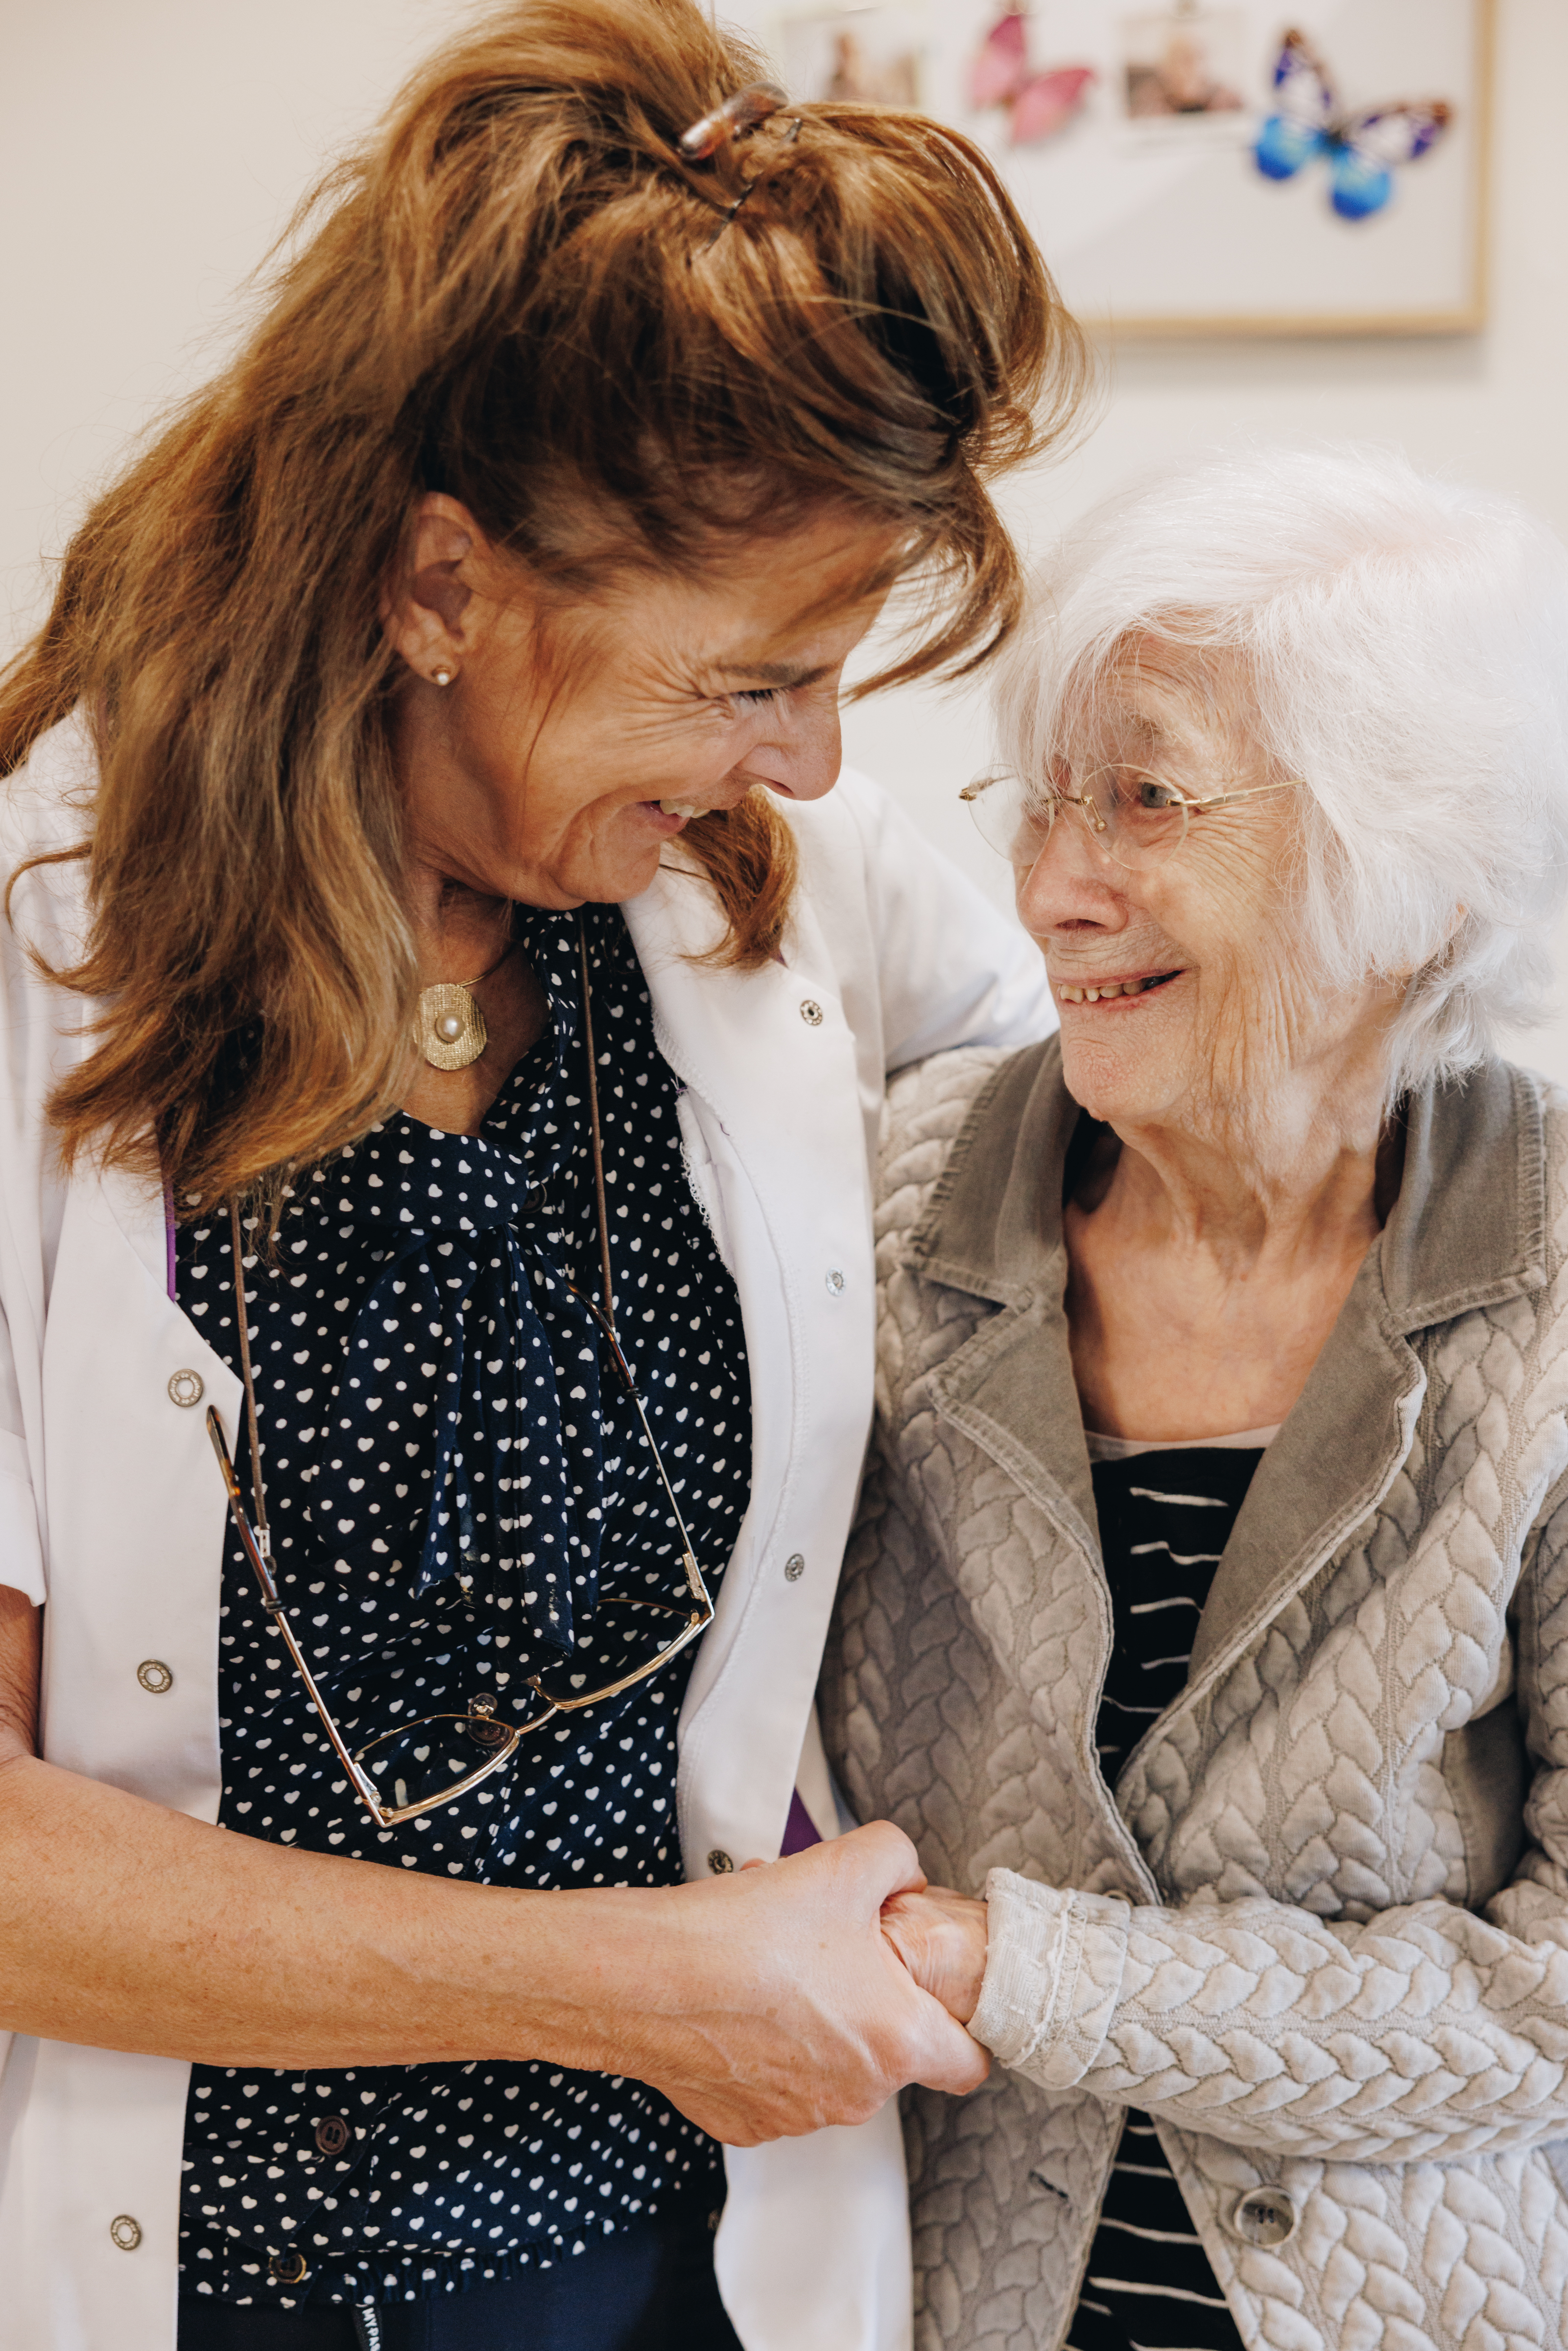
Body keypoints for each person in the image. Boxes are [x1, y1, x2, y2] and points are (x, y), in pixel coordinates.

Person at [0, 5, 1091, 2346]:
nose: (810, 760)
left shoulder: (790, 900)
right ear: (437, 587)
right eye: (750, 678)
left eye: (835, 674)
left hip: (695, 2257)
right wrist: (629, 1988)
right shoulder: (36, 952)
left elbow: (1164, 1181)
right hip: (194, 2277)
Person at [823, 444, 1568, 2351]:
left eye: (1144, 800)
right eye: (1041, 801)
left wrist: (1020, 1972)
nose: (1050, 892)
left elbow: (1554, 1997)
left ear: (1413, 873)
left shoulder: (1553, 1280)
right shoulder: (884, 1210)